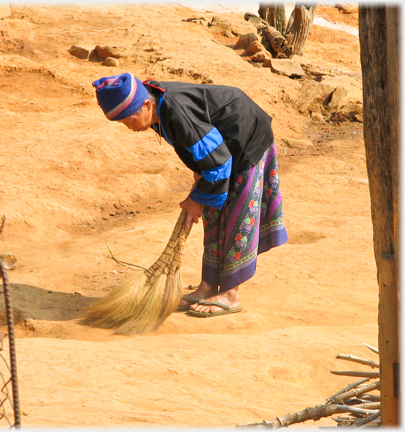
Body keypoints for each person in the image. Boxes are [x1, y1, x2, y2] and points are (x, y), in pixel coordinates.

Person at [92, 72, 288, 317]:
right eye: (122, 123)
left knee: (237, 214)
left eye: (129, 120)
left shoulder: (175, 111)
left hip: (245, 138)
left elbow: (218, 162)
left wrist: (197, 199)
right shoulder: (153, 104)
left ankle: (230, 294)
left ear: (146, 104)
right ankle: (207, 286)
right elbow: (196, 143)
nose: (129, 127)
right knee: (213, 216)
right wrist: (199, 176)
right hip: (221, 149)